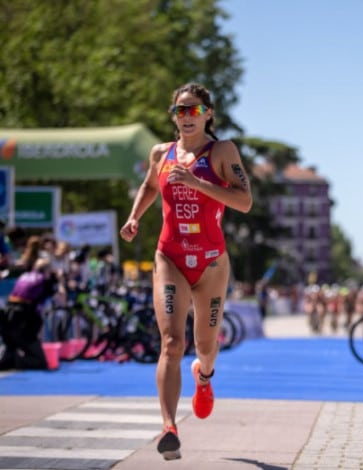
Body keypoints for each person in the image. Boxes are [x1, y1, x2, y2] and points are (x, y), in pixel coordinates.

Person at [119, 82, 252, 460]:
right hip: (171, 258)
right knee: (171, 343)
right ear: (173, 115)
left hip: (211, 263)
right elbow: (148, 187)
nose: (186, 117)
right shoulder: (161, 152)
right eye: (180, 110)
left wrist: (197, 183)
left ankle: (204, 376)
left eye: (194, 110)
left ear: (208, 113)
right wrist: (133, 218)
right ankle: (168, 426)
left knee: (205, 347)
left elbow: (244, 201)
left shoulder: (222, 151)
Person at [0, 258, 61, 370]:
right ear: (47, 270)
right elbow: (55, 295)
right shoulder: (43, 280)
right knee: (40, 363)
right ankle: (14, 360)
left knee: (9, 350)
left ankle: (9, 359)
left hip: (7, 320)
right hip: (23, 325)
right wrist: (57, 279)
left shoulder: (24, 276)